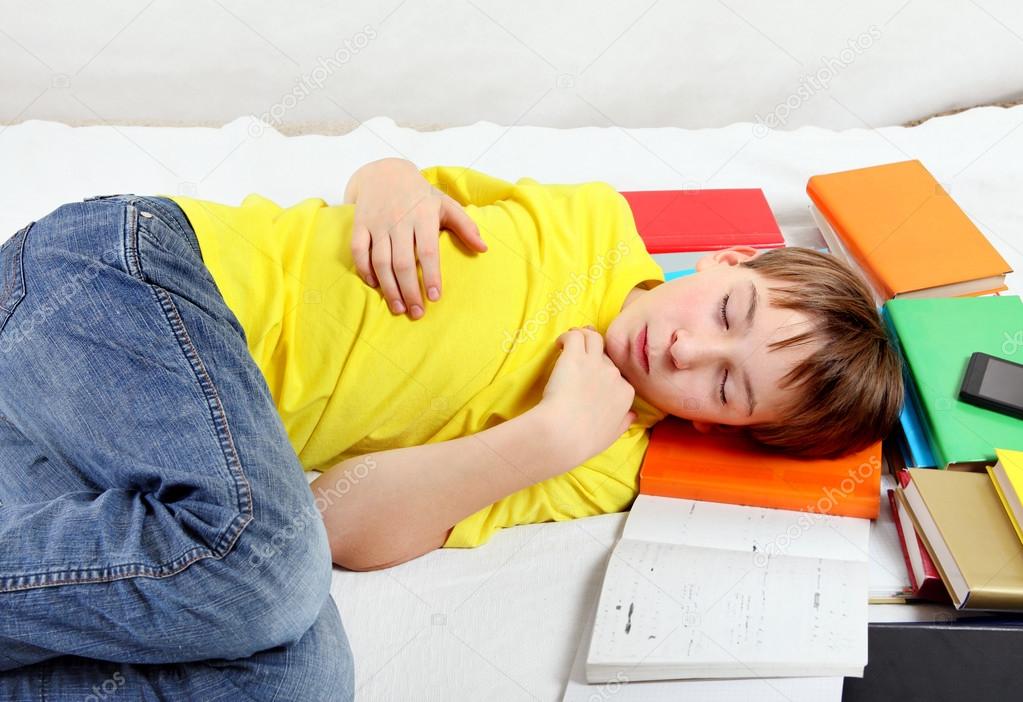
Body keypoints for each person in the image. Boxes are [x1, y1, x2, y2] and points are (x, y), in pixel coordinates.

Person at [0, 157, 901, 697]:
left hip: (93, 455)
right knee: (263, 577)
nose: (687, 349)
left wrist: (544, 439)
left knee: (296, 682)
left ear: (723, 432)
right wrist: (389, 184)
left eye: (728, 387)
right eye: (729, 312)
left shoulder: (599, 458)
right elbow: (397, 178)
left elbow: (335, 529)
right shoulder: (591, 224)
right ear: (729, 257)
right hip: (124, 276)